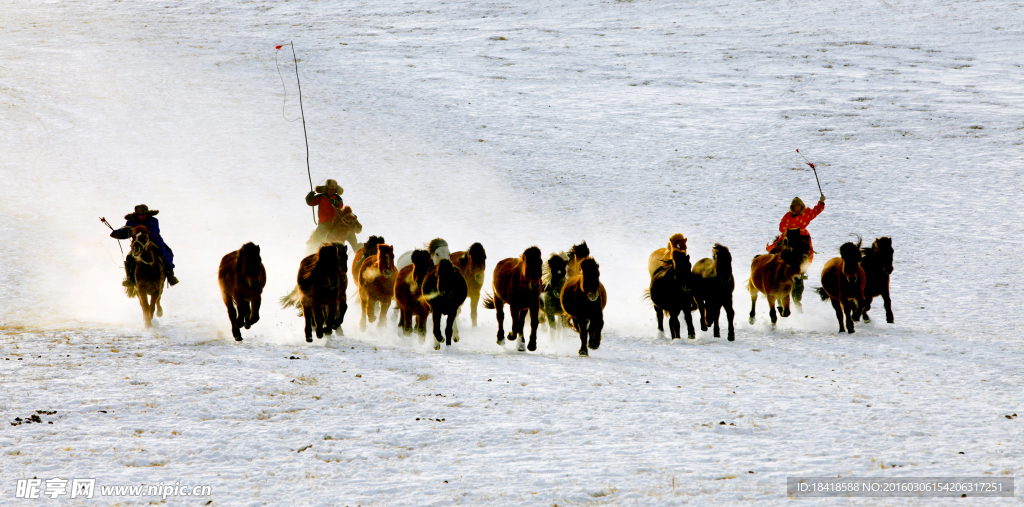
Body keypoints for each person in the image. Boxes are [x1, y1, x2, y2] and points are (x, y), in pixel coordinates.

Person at [766, 194, 825, 303]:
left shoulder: (806, 213)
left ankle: (803, 267)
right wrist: (791, 230)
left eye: (798, 206)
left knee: (807, 250)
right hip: (790, 236)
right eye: (795, 207)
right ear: (792, 208)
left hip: (802, 236)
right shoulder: (788, 216)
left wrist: (821, 203)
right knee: (781, 248)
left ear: (801, 206)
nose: (797, 208)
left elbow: (816, 211)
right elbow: (781, 227)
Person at [110, 204, 179, 287]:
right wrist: (117, 233)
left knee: (165, 253)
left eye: (143, 214)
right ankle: (130, 278)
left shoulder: (154, 220)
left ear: (146, 214)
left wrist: (143, 234)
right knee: (129, 257)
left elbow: (154, 232)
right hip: (138, 243)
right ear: (137, 215)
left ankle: (171, 276)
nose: (142, 216)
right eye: (140, 215)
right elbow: (126, 230)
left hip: (155, 241)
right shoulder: (131, 222)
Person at [304, 179, 362, 254]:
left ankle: (357, 249)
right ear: (327, 189)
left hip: (336, 221)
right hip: (323, 223)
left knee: (349, 231)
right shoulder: (321, 197)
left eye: (333, 189)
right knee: (315, 237)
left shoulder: (337, 198)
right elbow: (311, 202)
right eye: (330, 189)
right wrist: (309, 197)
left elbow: (340, 205)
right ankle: (312, 252)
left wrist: (334, 202)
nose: (331, 191)